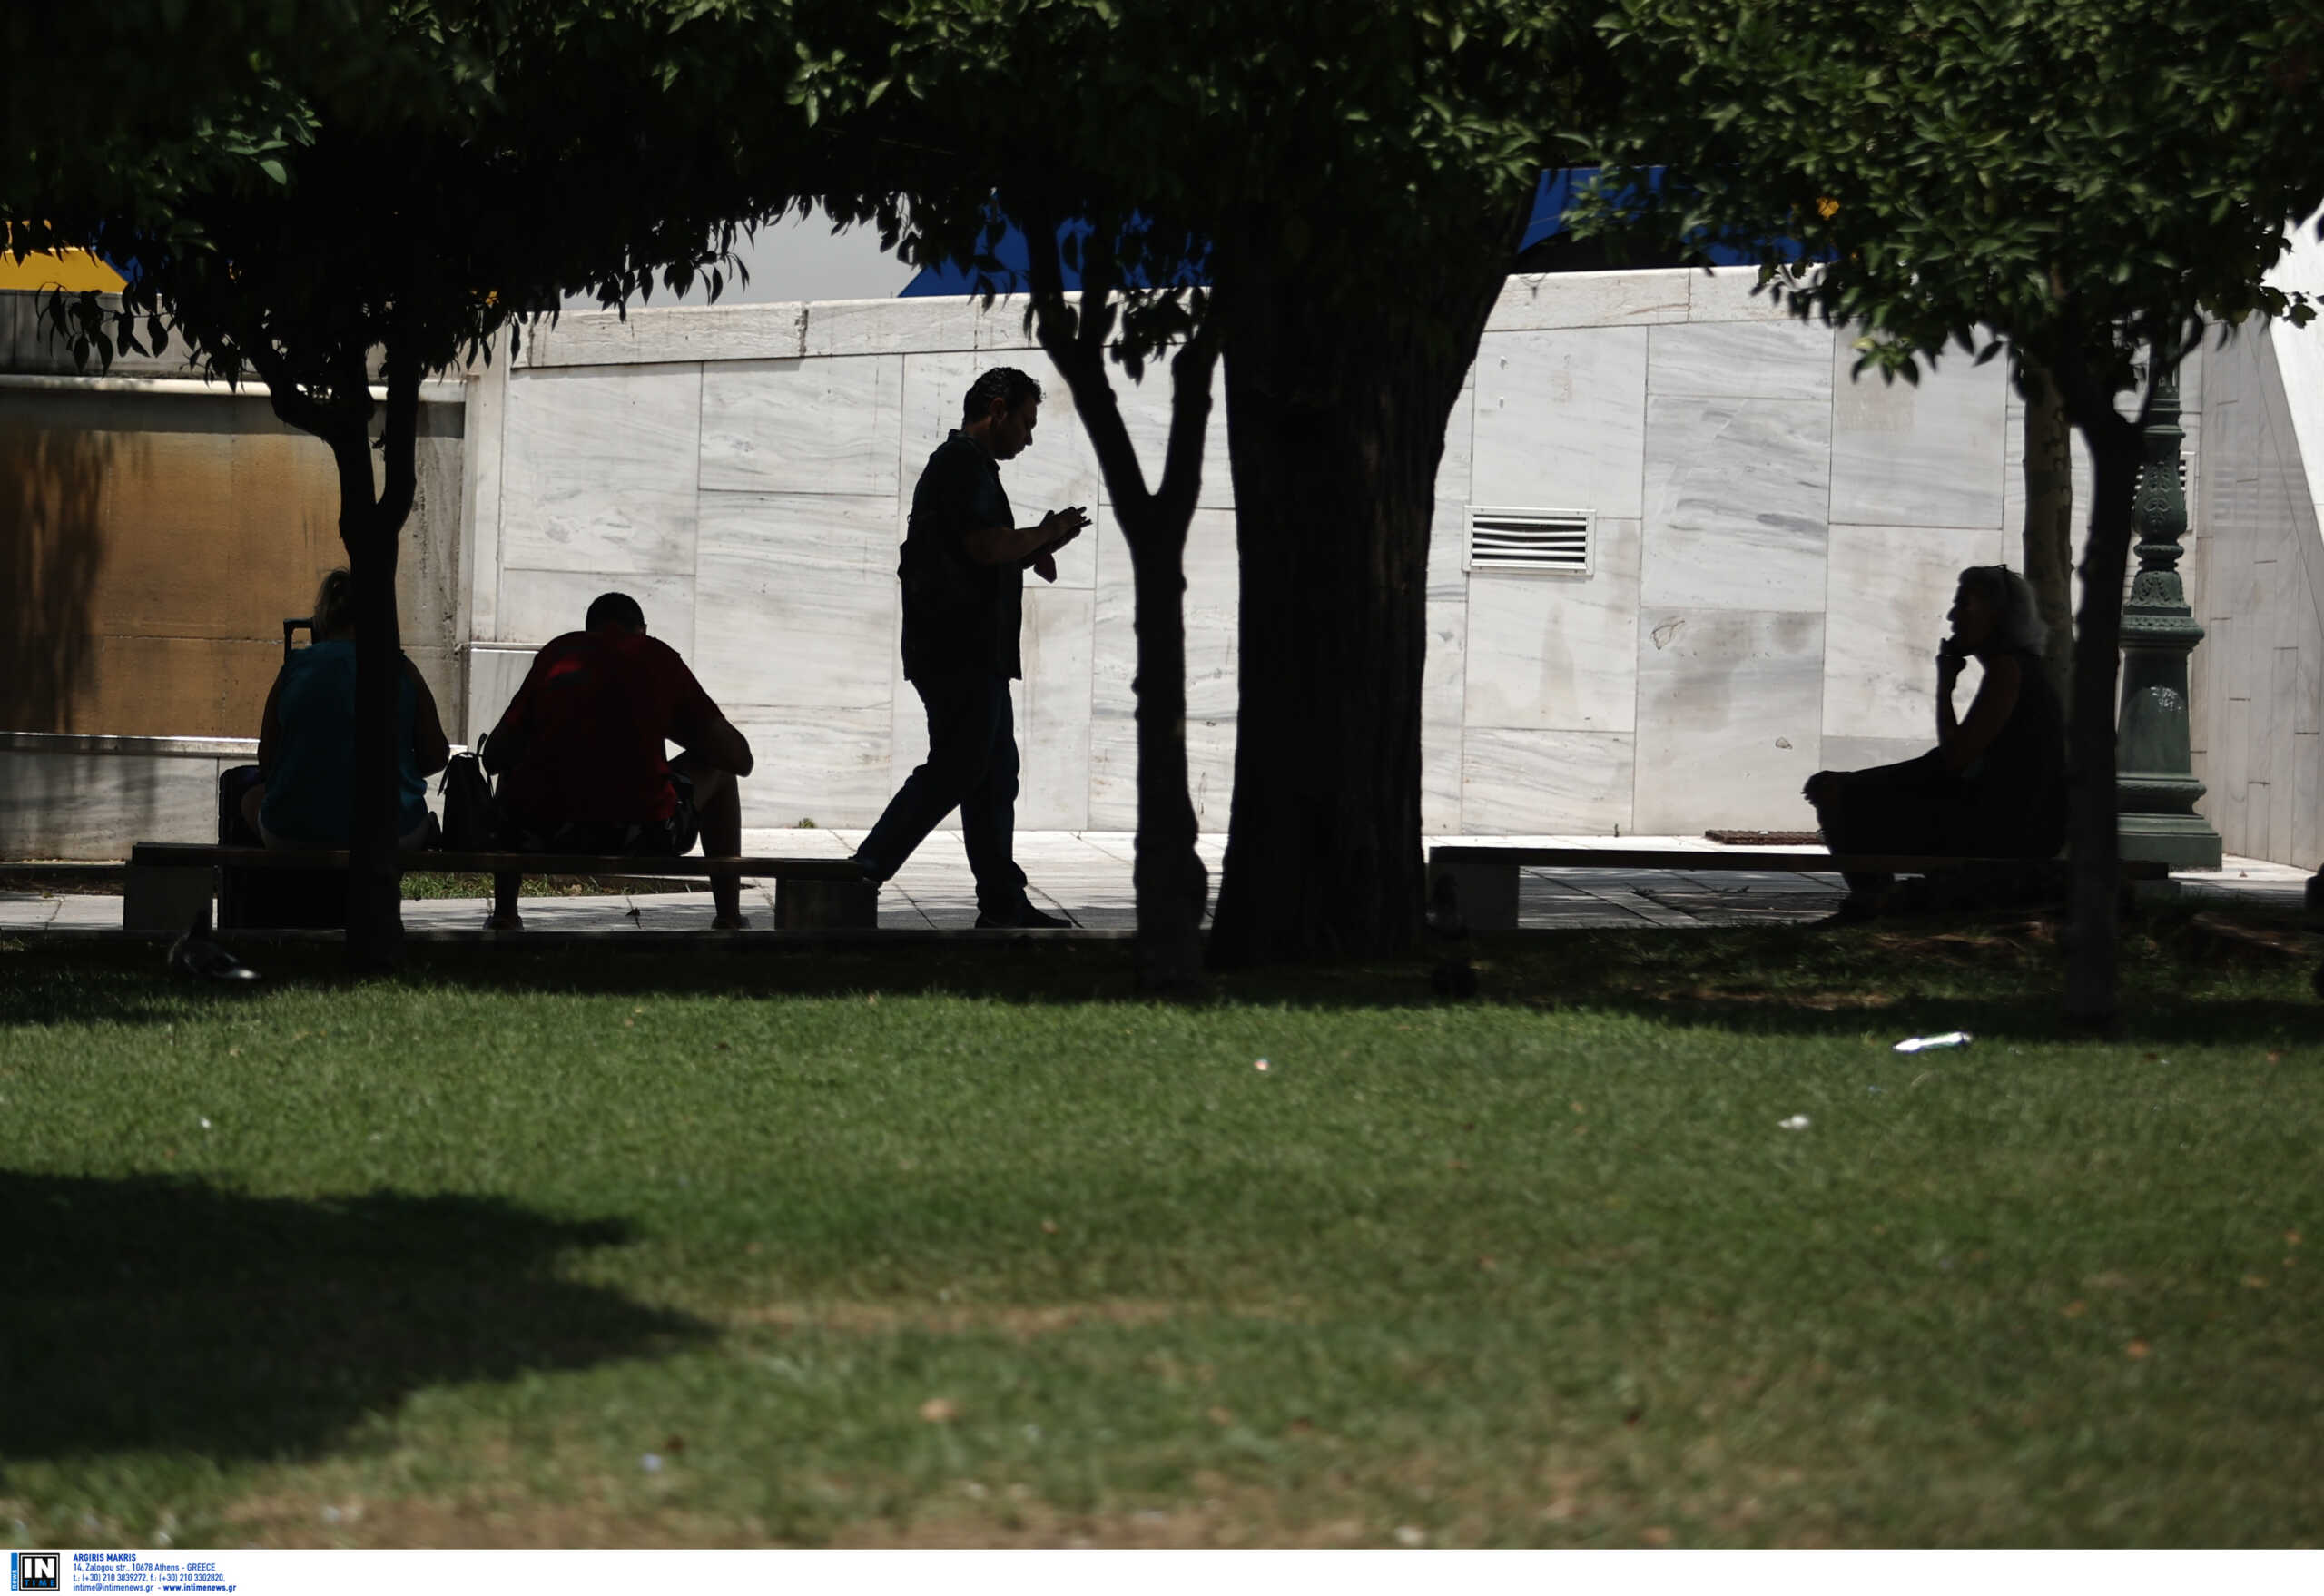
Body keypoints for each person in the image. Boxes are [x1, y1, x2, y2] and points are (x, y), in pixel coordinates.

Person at [852, 367, 1089, 927]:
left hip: (973, 650)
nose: (1029, 439)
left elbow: (968, 551)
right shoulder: (961, 466)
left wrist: (1033, 547)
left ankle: (1001, 899)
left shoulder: (968, 468)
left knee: (992, 770)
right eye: (1027, 423)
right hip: (959, 650)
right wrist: (1043, 534)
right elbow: (984, 547)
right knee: (960, 765)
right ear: (999, 410)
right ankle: (864, 869)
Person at [1803, 565, 2066, 916]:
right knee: (1846, 791)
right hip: (2011, 819)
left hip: (2008, 828)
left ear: (1997, 613)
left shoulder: (2008, 670)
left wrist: (1945, 687)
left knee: (1841, 798)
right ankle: (1877, 904)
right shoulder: (2017, 668)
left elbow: (1954, 759)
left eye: (1964, 605)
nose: (1953, 616)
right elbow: (1950, 758)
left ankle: (1874, 906)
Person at [485, 591, 755, 929]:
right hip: (643, 831)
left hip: (545, 830)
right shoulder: (656, 657)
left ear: (587, 631)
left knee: (513, 763)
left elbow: (493, 756)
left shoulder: (558, 655)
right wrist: (669, 723)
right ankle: (729, 915)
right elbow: (739, 759)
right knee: (722, 773)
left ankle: (505, 916)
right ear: (641, 630)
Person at [240, 568, 449, 850]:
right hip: (391, 834)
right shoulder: (402, 669)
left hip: (294, 835)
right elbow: (437, 755)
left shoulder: (295, 669)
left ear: (323, 620)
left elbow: (267, 762)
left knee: (250, 799)